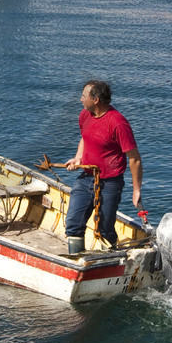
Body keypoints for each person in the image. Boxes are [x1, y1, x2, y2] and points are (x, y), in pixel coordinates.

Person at [63, 80, 143, 256]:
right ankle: (77, 261)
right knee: (73, 223)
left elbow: (135, 159)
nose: (80, 99)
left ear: (96, 99)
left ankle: (109, 260)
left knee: (105, 228)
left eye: (84, 96)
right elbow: (85, 137)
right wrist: (78, 158)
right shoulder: (85, 115)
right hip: (86, 178)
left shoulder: (118, 123)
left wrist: (136, 191)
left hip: (110, 182)